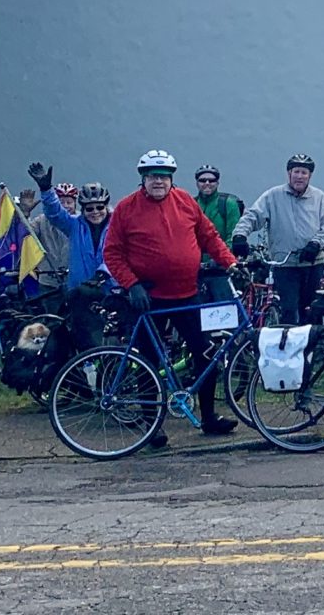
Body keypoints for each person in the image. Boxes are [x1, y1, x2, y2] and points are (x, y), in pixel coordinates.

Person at [104, 149, 239, 441]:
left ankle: (209, 417)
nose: (158, 182)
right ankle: (153, 426)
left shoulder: (186, 202)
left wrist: (231, 263)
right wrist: (132, 284)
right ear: (143, 179)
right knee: (148, 362)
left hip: (187, 295)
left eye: (164, 177)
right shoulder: (127, 209)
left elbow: (210, 237)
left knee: (206, 353)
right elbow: (112, 253)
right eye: (153, 176)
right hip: (149, 298)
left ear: (171, 179)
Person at [231, 154, 324, 325]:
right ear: (289, 173)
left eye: (304, 172)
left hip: (312, 263)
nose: (300, 176)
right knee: (288, 309)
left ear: (310, 176)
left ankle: (311, 348)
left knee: (311, 310)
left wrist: (316, 243)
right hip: (285, 264)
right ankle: (288, 347)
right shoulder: (273, 196)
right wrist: (240, 235)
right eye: (296, 172)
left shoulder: (319, 198)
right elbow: (253, 215)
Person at [25, 168, 112, 349]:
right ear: (82, 208)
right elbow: (55, 214)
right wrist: (46, 189)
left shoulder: (116, 227)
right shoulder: (74, 225)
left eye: (99, 207)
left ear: (106, 206)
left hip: (108, 291)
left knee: (109, 339)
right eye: (89, 208)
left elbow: (117, 255)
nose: (95, 212)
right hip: (80, 293)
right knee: (82, 341)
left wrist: (103, 273)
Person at [191, 166, 244, 243]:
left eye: (211, 180)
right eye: (202, 180)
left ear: (217, 183)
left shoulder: (229, 203)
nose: (207, 183)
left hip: (222, 252)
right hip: (196, 253)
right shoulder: (191, 204)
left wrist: (222, 254)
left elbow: (233, 235)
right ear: (197, 183)